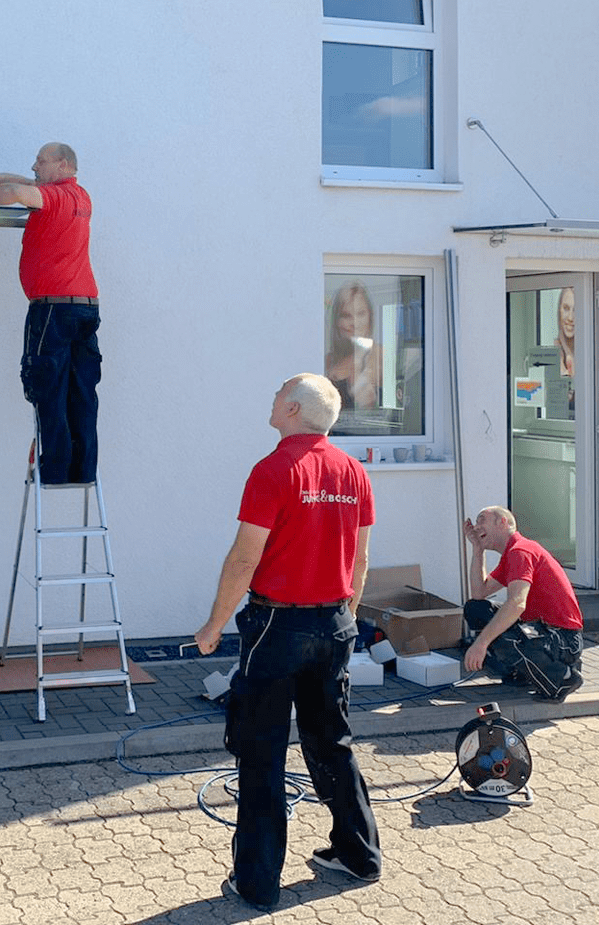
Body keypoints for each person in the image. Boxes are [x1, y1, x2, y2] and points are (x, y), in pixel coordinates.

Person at [194, 373, 381, 911]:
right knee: (332, 743)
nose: (272, 397)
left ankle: (256, 884)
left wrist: (213, 625)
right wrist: (346, 614)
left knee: (261, 752)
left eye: (279, 392)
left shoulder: (274, 469)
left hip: (278, 628)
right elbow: (361, 558)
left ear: (294, 409)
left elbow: (244, 558)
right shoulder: (353, 471)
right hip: (335, 624)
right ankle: (359, 854)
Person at [0, 145, 99, 484]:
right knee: (81, 392)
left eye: (41, 161)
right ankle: (82, 470)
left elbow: (15, 192)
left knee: (47, 387)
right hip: (84, 308)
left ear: (62, 164)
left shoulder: (52, 198)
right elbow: (23, 183)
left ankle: (54, 471)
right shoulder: (79, 196)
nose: (34, 165)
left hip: (53, 310)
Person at [463, 506, 583, 701]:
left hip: (564, 638)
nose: (476, 527)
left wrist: (481, 643)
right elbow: (479, 593)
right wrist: (477, 550)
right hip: (542, 630)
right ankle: (525, 673)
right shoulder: (512, 554)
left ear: (502, 522)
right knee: (476, 609)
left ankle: (562, 679)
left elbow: (517, 604)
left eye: (481, 520)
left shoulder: (521, 551)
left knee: (508, 638)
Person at [325, 281, 382, 411]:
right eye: (346, 316)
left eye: (361, 314)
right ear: (337, 321)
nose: (355, 323)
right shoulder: (328, 362)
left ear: (370, 316)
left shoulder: (385, 357)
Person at [557, 287, 575, 379]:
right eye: (566, 308)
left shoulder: (595, 352)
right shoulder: (554, 353)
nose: (570, 318)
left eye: (576, 310)